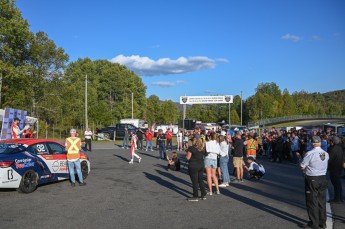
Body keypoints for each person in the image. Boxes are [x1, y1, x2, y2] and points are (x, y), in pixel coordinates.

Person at [300, 136, 329, 229]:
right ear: (320, 143)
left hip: (312, 178)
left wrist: (300, 159)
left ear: (312, 143)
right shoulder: (326, 153)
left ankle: (314, 223)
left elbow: (302, 166)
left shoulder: (310, 153)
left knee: (312, 201)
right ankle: (322, 222)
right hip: (323, 177)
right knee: (322, 201)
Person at [186, 137, 207, 201]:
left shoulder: (191, 148)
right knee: (200, 180)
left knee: (194, 181)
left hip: (193, 165)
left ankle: (195, 196)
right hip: (201, 165)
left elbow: (188, 158)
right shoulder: (202, 148)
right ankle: (203, 194)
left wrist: (186, 153)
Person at [328, 136, 344, 203]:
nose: (330, 142)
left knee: (336, 184)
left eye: (331, 141)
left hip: (334, 168)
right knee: (338, 184)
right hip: (339, 167)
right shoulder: (340, 148)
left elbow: (329, 160)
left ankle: (337, 199)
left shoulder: (333, 149)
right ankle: (340, 198)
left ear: (333, 142)